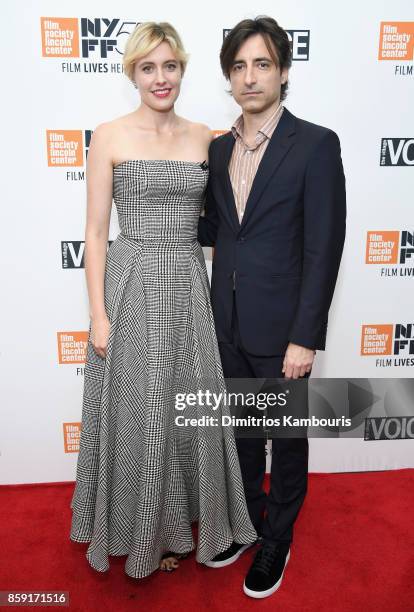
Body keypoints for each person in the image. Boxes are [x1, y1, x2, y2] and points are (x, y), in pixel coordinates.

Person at [69, 21, 257, 580]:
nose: (160, 78)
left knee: (188, 410)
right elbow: (97, 232)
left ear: (183, 70)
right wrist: (99, 314)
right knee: (140, 412)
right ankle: (136, 527)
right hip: (131, 281)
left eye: (170, 66)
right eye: (148, 67)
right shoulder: (109, 134)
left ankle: (181, 521)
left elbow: (235, 205)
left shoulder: (207, 136)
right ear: (132, 73)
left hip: (188, 283)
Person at [198, 16, 346, 599]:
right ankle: (252, 524)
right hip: (225, 322)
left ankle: (279, 538)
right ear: (228, 78)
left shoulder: (315, 144)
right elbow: (217, 227)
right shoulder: (215, 148)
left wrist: (305, 337)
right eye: (238, 66)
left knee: (284, 440)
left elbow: (323, 246)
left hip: (284, 329)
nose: (250, 77)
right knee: (240, 435)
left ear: (283, 71)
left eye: (262, 64)